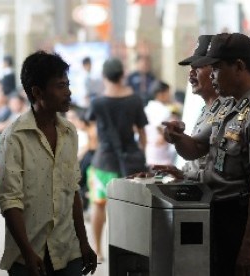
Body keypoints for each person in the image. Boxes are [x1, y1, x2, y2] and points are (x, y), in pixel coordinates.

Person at [163, 33, 250, 276]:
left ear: (239, 67)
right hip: (224, 217)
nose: (212, 75)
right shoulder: (230, 106)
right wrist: (177, 137)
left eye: (217, 69)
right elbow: (196, 147)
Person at [0, 50, 97, 276]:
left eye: (68, 84)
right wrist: (28, 251)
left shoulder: (69, 132)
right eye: (60, 86)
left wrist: (83, 241)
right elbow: (9, 201)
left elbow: (73, 191)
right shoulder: (15, 137)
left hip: (67, 251)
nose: (68, 92)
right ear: (37, 92)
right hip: (28, 257)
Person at [86, 57, 148, 261]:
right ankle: (130, 250)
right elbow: (142, 133)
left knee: (99, 205)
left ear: (104, 76)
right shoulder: (135, 100)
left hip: (104, 162)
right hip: (130, 162)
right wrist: (139, 154)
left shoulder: (98, 102)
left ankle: (97, 250)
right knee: (130, 207)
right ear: (123, 75)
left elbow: (92, 130)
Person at [153, 35, 227, 180]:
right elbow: (197, 153)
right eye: (191, 68)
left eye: (198, 67)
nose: (191, 73)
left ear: (217, 70)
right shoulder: (206, 109)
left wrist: (179, 139)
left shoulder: (230, 109)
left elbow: (198, 149)